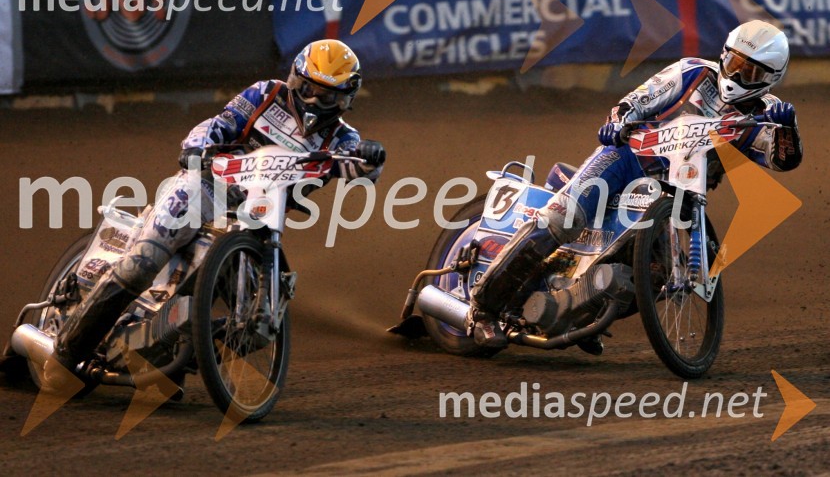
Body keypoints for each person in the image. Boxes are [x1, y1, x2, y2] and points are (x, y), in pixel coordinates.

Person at [45, 39, 386, 384]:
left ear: (345, 99)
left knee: (260, 320)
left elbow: (362, 167)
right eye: (309, 88)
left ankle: (173, 357)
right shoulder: (265, 95)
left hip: (257, 220)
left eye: (327, 96)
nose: (314, 100)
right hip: (206, 187)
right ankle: (64, 355)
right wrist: (198, 148)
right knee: (143, 262)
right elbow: (219, 122)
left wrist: (373, 157)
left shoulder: (343, 139)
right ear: (296, 79)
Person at [466, 20, 803, 349]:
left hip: (674, 191)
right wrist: (617, 123)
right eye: (732, 62)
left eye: (751, 72)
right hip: (626, 159)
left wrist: (788, 130)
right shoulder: (693, 71)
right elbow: (636, 101)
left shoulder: (771, 113)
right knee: (562, 219)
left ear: (770, 78)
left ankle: (580, 313)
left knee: (654, 275)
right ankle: (483, 309)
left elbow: (783, 159)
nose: (737, 75)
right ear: (723, 54)